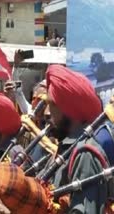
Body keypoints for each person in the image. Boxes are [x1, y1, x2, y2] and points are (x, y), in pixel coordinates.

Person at [39, 64, 114, 213]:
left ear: (69, 109)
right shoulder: (64, 148)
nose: (47, 113)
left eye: (52, 105)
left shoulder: (85, 153)